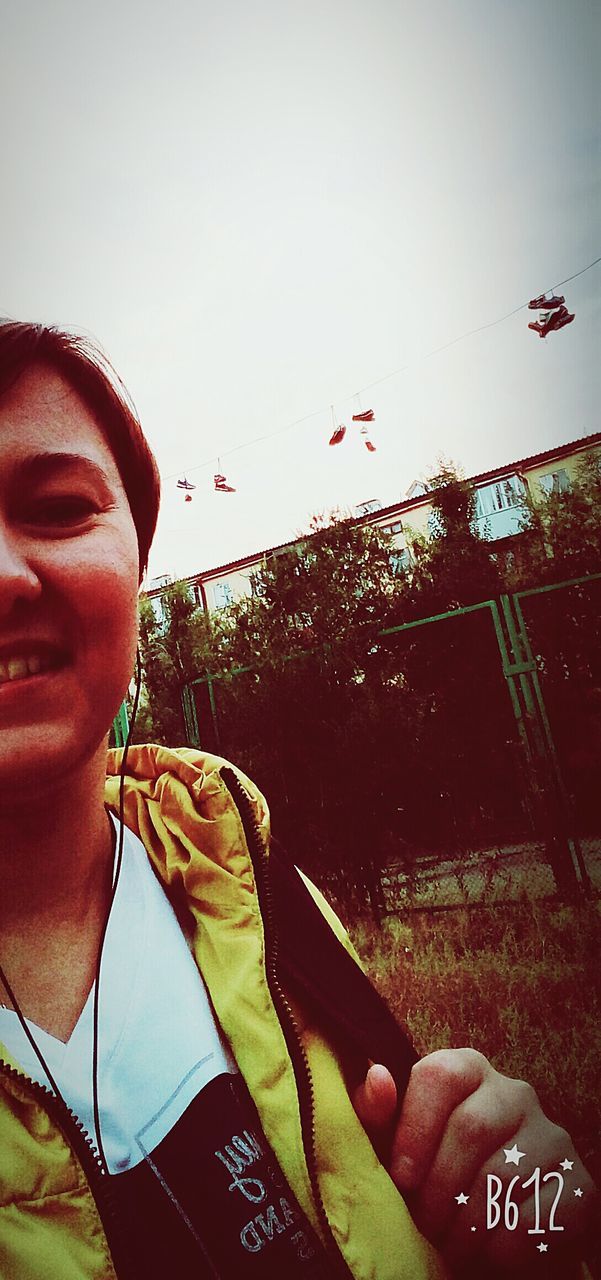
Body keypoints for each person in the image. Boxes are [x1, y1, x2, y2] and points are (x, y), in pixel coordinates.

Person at [0, 320, 595, 1280]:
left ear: (137, 566)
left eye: (59, 508)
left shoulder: (253, 892)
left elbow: (473, 1223)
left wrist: (527, 1223)